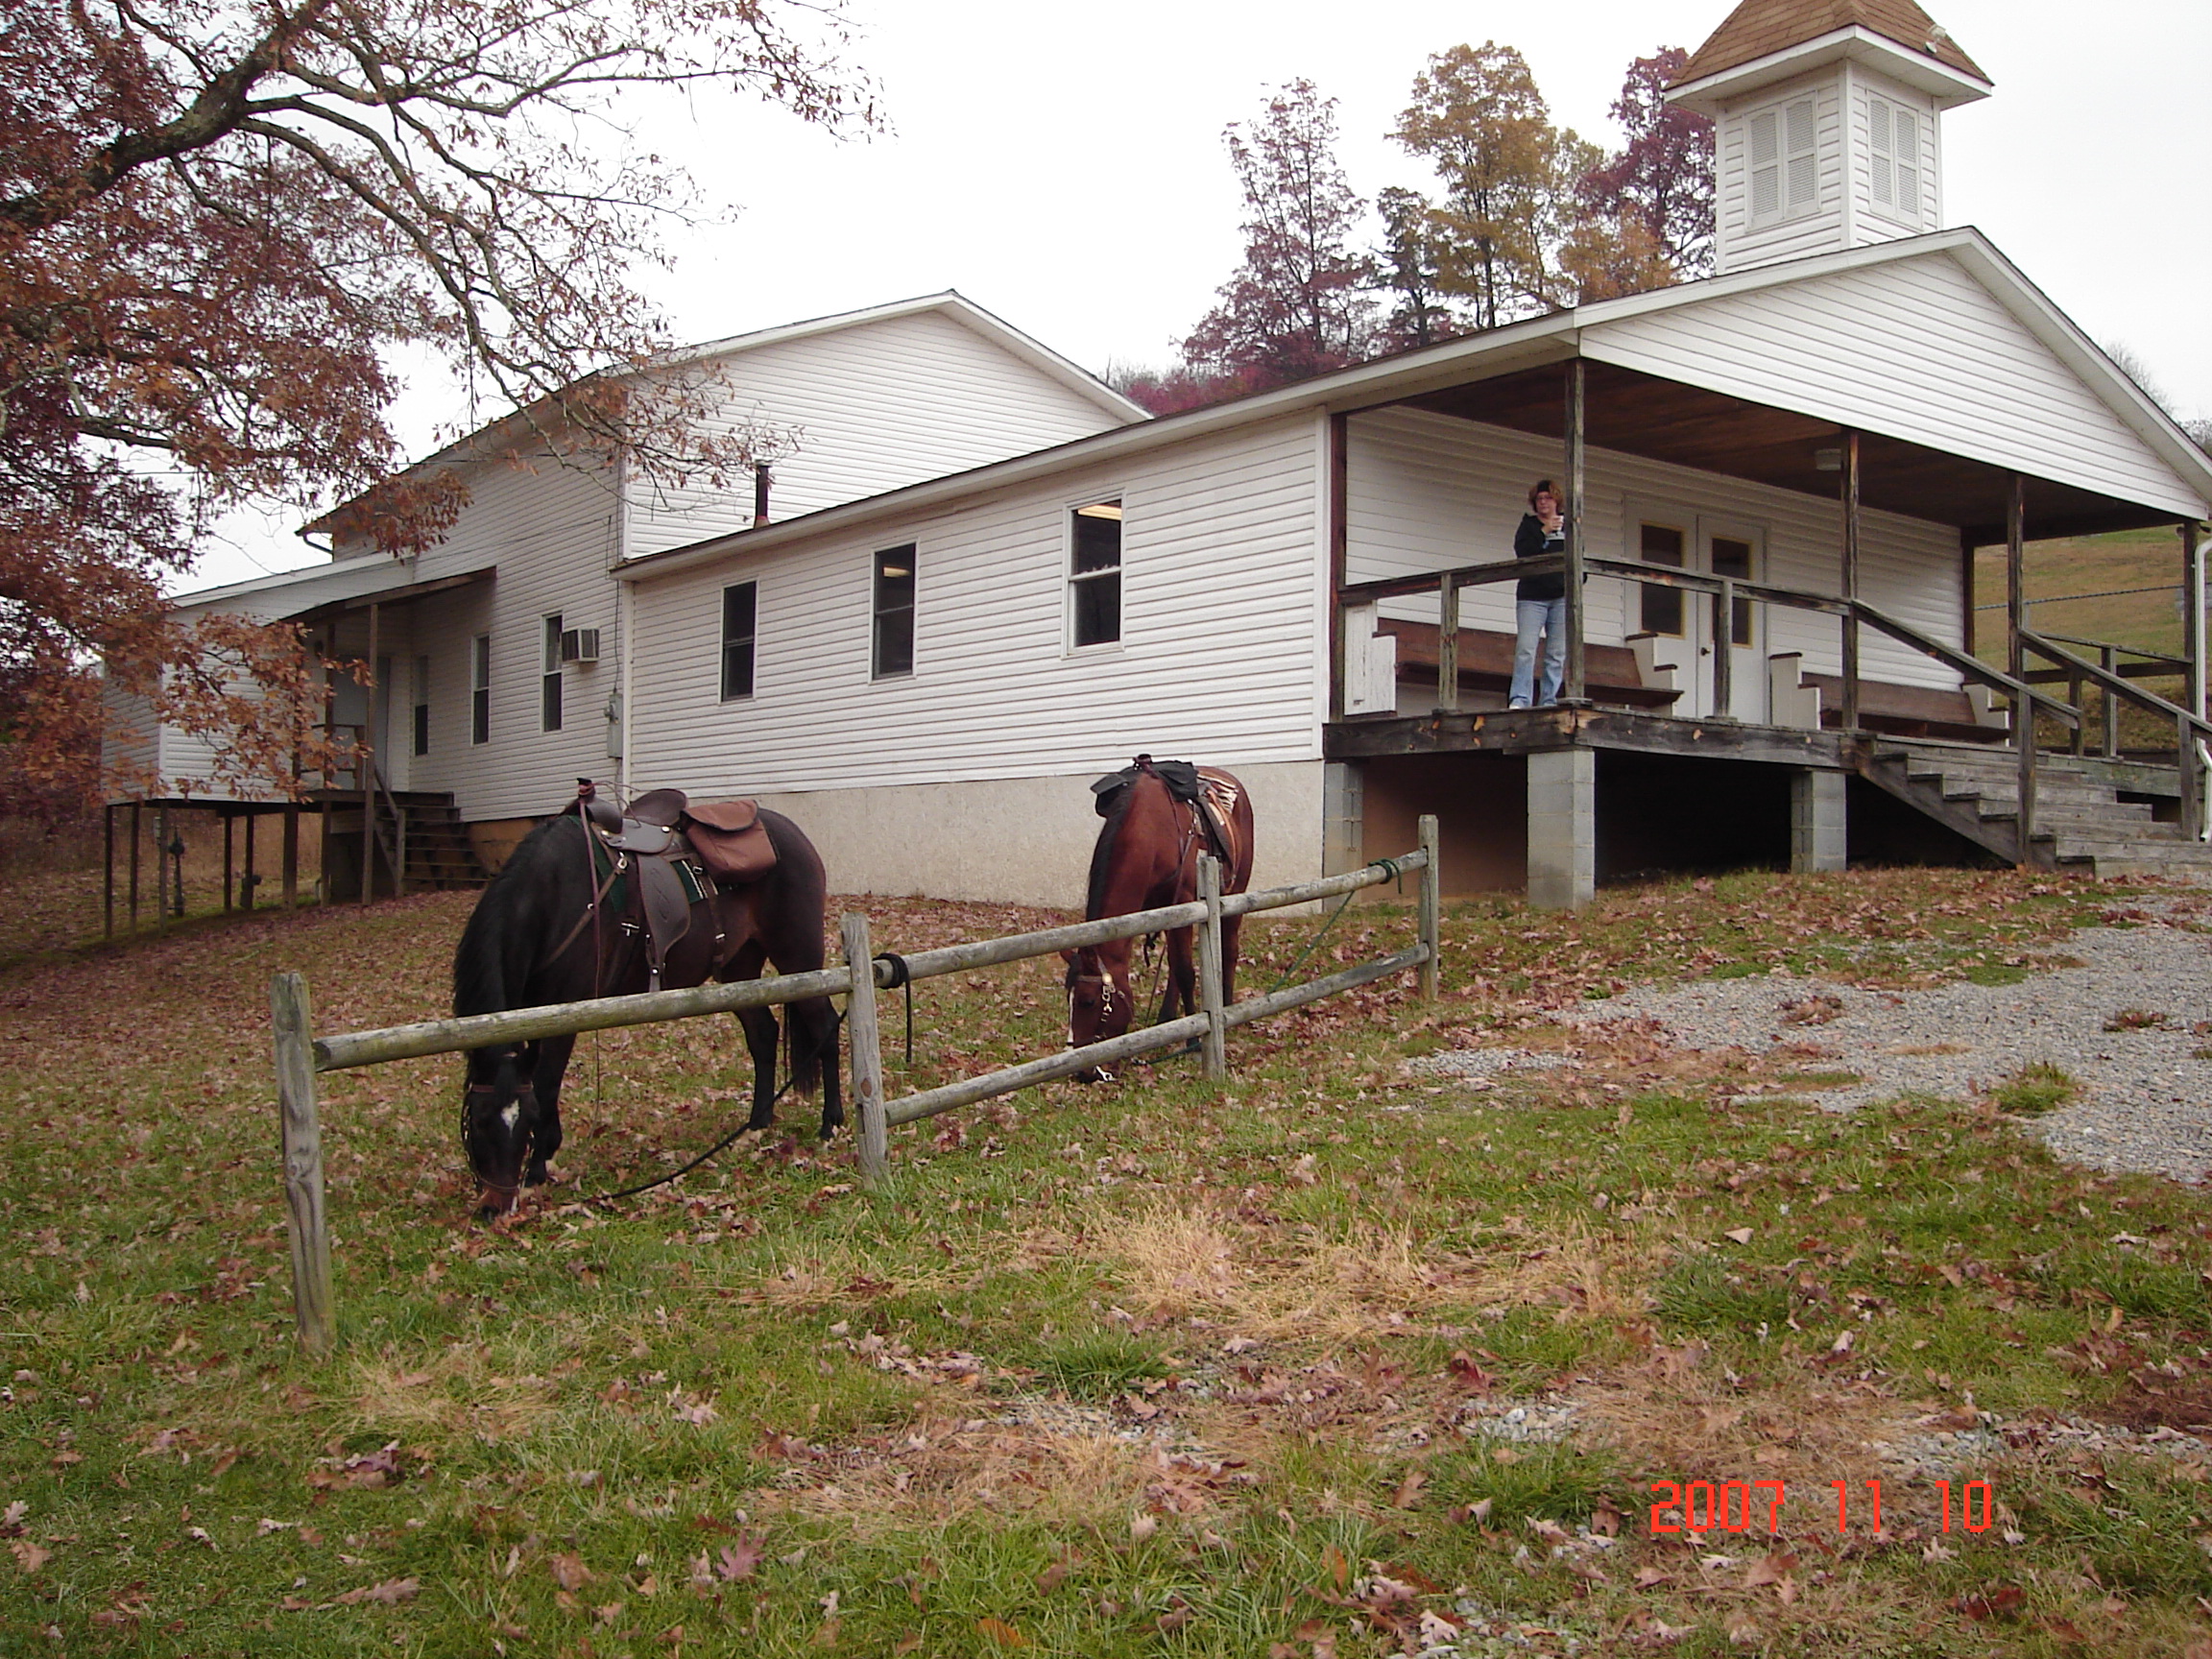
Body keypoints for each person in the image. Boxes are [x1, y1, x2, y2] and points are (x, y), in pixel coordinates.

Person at [1510, 480, 1569, 709]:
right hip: (1532, 597)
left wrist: (1576, 581)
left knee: (1556, 653)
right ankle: (1520, 698)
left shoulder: (1569, 527)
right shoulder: (1529, 526)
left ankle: (1548, 700)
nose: (1543, 502)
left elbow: (1578, 556)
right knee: (1526, 648)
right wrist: (1545, 531)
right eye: (1539, 499)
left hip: (1560, 597)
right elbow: (1523, 553)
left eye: (1548, 498)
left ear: (1556, 501)